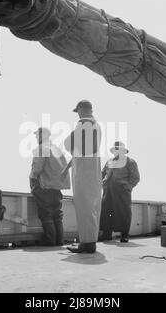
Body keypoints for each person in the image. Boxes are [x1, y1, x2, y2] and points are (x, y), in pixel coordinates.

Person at [64, 100, 102, 253]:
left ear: (81, 109)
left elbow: (68, 144)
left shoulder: (82, 123)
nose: (77, 114)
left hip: (82, 167)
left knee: (83, 204)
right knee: (92, 204)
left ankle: (87, 243)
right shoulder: (97, 125)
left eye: (77, 110)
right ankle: (90, 240)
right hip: (94, 166)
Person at [29, 127, 70, 246]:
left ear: (42, 136)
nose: (36, 137)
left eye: (37, 135)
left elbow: (37, 167)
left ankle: (50, 240)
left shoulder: (41, 148)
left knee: (46, 213)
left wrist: (32, 178)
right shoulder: (56, 149)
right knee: (57, 214)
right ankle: (59, 240)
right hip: (56, 187)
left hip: (44, 185)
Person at [99, 141, 140, 243]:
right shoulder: (109, 162)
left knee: (124, 212)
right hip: (108, 189)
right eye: (114, 150)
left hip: (122, 190)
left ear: (123, 151)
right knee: (106, 211)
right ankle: (106, 234)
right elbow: (102, 173)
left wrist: (128, 187)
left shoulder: (130, 162)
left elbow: (135, 177)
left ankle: (125, 235)